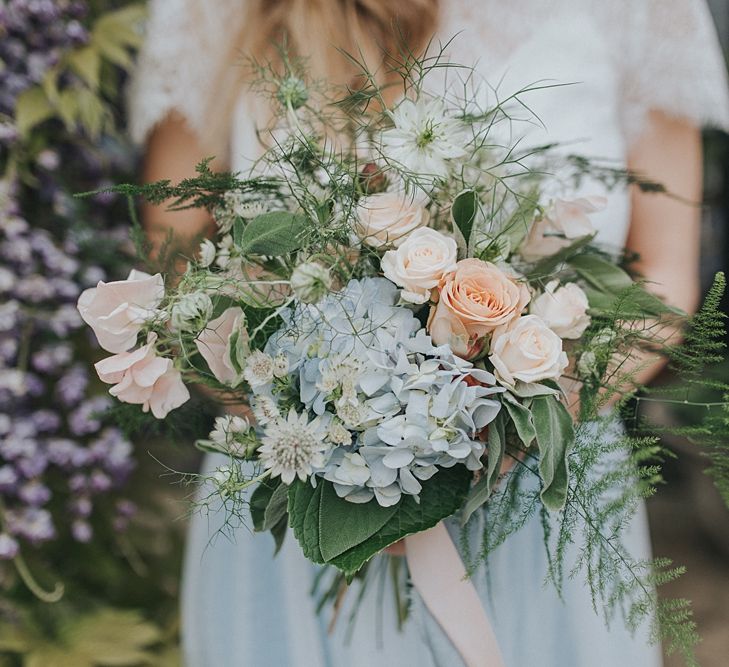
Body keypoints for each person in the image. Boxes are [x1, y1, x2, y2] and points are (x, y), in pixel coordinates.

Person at [129, 1, 729, 665]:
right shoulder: (213, 10)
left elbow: (663, 281)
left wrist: (516, 430)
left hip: (543, 497)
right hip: (301, 499)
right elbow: (171, 263)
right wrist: (318, 440)